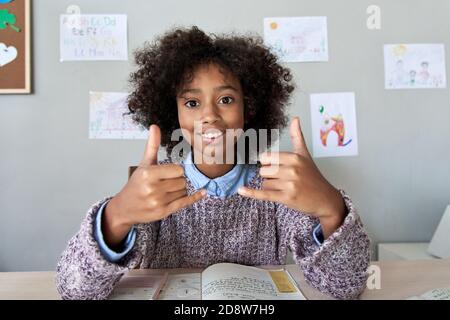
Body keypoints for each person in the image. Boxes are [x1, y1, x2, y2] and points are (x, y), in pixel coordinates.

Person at [56, 26, 371, 300]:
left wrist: (332, 207)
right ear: (173, 113)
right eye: (192, 102)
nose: (209, 115)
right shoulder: (155, 188)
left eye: (226, 99)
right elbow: (75, 290)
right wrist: (116, 215)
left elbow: (345, 287)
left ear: (249, 110)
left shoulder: (276, 188)